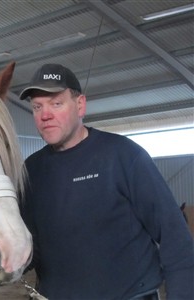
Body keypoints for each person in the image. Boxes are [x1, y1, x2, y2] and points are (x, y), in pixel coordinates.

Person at [18, 64, 194, 300]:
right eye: (37, 107)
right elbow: (30, 248)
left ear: (80, 105)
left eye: (56, 104)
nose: (45, 115)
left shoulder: (123, 155)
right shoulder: (31, 171)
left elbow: (174, 235)